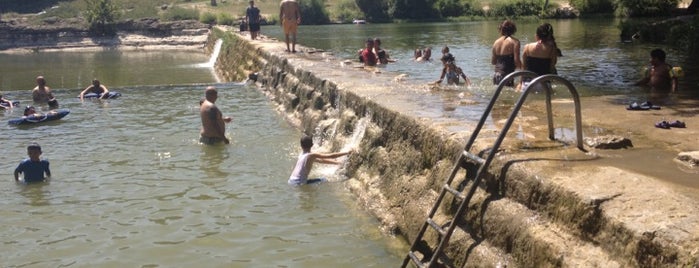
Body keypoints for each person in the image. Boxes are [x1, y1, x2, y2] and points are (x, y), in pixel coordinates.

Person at [288, 135, 352, 185]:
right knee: (324, 180)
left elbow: (321, 161)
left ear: (301, 145)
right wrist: (347, 152)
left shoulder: (302, 155)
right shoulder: (310, 155)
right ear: (312, 145)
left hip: (291, 180)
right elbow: (331, 156)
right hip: (298, 183)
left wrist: (337, 163)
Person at [521, 23, 560, 90]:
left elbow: (523, 67)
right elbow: (552, 67)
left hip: (527, 84)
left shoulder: (527, 47)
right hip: (544, 83)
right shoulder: (552, 49)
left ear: (537, 36)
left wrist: (520, 83)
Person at [492, 20, 522, 86]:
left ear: (501, 29)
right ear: (513, 30)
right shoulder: (515, 42)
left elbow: (493, 62)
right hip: (507, 76)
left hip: (496, 75)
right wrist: (524, 69)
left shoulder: (496, 42)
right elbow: (516, 61)